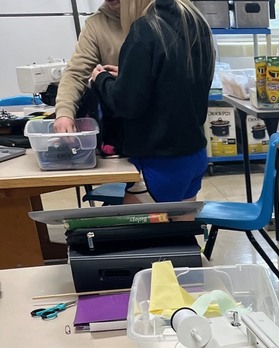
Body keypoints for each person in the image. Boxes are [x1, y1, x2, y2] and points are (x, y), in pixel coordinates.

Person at [89, 0, 214, 203]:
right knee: (183, 230)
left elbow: (126, 104)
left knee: (147, 233)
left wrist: (101, 80)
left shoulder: (145, 28)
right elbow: (175, 81)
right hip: (193, 155)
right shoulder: (194, 21)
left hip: (159, 161)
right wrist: (129, 76)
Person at [53, 0, 125, 140]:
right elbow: (76, 73)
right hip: (124, 124)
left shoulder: (162, 16)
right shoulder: (96, 24)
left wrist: (129, 75)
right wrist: (64, 113)